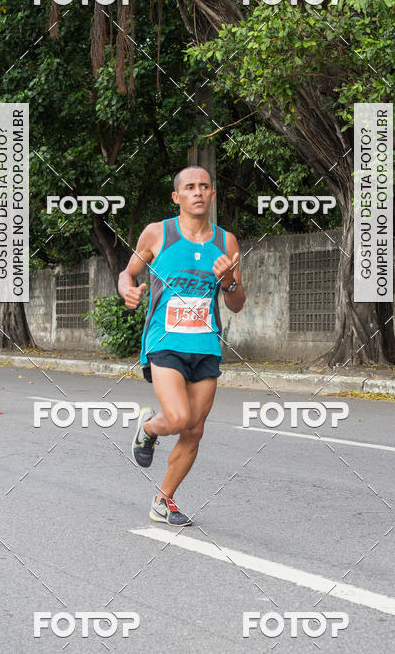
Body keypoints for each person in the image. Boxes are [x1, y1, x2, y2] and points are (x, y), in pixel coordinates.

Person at [118, 165, 246, 526]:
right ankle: (148, 429)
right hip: (165, 341)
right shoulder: (158, 234)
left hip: (206, 345)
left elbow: (236, 303)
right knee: (177, 418)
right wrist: (127, 288)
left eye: (204, 186)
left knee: (194, 429)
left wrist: (228, 283)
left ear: (213, 194)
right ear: (177, 197)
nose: (198, 192)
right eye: (189, 187)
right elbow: (128, 272)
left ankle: (163, 501)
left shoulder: (227, 242)